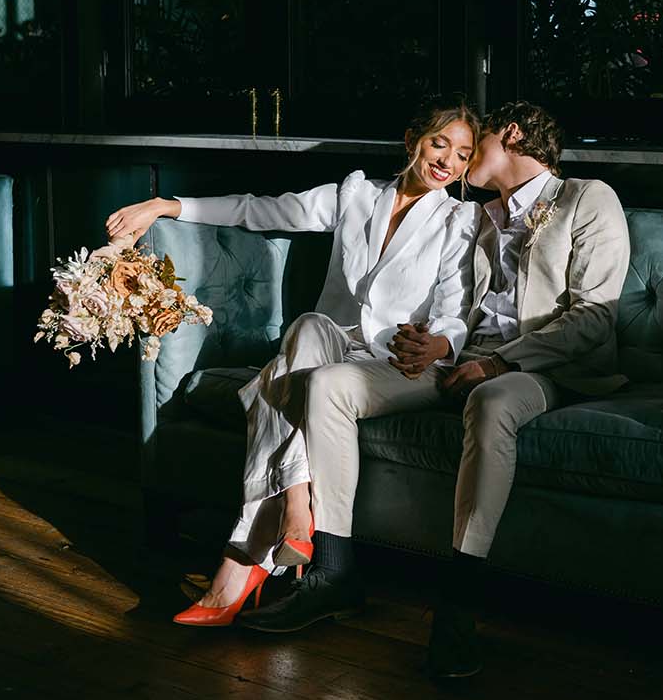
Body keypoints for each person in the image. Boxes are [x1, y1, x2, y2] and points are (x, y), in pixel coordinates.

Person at [242, 101, 630, 681]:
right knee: (328, 385)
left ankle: (459, 604)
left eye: (476, 145)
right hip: (457, 364)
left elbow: (594, 318)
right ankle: (335, 572)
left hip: (540, 371)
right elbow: (448, 301)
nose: (464, 158)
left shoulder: (586, 198)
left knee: (491, 403)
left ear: (513, 134)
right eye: (452, 146)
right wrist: (434, 341)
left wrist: (499, 363)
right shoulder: (474, 215)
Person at [104, 97, 481, 626]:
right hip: (333, 343)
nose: (448, 161)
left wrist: (439, 344)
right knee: (307, 327)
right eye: (440, 144)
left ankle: (243, 561)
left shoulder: (461, 220)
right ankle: (297, 506)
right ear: (412, 139)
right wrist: (168, 205)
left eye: (463, 155)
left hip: (401, 362)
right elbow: (258, 208)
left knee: (275, 383)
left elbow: (455, 309)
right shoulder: (356, 195)